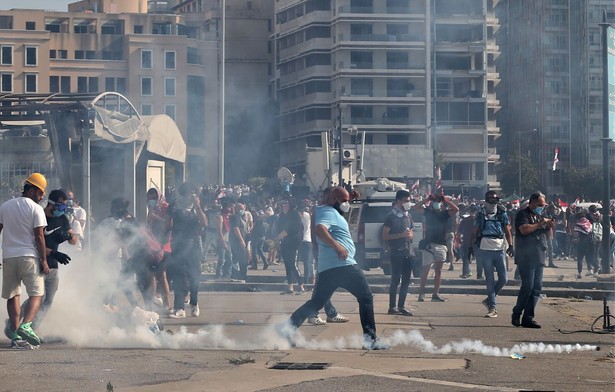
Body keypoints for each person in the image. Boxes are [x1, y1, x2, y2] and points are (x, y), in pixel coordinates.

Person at [277, 187, 386, 350]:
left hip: (329, 266)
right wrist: (337, 247)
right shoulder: (328, 211)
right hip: (343, 264)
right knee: (366, 298)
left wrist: (348, 199)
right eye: (344, 201)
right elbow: (321, 229)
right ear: (334, 200)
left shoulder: (325, 210)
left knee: (316, 302)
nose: (346, 204)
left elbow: (334, 220)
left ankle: (287, 329)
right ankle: (370, 340)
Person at [0, 173, 49, 348]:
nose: (42, 196)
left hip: (9, 257)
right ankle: (26, 325)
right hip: (28, 256)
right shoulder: (36, 209)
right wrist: (43, 260)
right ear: (33, 190)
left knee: (13, 295)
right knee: (37, 294)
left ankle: (16, 337)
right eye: (41, 192)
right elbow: (39, 237)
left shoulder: (5, 206)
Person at [30, 189, 77, 327]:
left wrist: (68, 236)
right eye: (61, 205)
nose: (63, 208)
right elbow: (34, 244)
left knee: (48, 299)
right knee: (38, 296)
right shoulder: (40, 217)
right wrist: (53, 253)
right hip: (37, 262)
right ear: (52, 203)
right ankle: (15, 322)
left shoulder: (62, 218)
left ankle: (33, 328)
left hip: (54, 265)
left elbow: (74, 240)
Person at [511, 192, 552, 329]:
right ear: (533, 202)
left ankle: (528, 318)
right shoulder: (523, 214)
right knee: (527, 287)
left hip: (539, 255)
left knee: (536, 288)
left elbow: (548, 235)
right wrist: (541, 223)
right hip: (526, 256)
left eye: (543, 205)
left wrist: (549, 226)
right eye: (540, 205)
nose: (541, 207)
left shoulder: (539, 216)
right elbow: (524, 230)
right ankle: (517, 312)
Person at [167, 182, 208, 318]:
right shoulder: (174, 206)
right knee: (178, 276)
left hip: (194, 244)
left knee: (194, 276)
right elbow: (168, 224)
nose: (188, 197)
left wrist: (197, 206)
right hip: (178, 244)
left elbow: (204, 223)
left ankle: (194, 304)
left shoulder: (197, 207)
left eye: (191, 194)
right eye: (185, 193)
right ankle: (179, 307)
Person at [472, 191, 513, 318]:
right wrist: (470, 247)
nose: (493, 202)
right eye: (490, 199)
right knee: (489, 279)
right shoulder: (481, 213)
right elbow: (475, 231)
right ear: (486, 200)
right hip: (485, 247)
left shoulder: (502, 213)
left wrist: (511, 245)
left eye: (495, 199)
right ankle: (492, 307)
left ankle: (490, 299)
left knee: (504, 278)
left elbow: (507, 230)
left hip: (499, 247)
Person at [413, 194, 459, 302]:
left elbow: (456, 209)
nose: (436, 203)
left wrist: (445, 200)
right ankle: (421, 293)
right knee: (425, 271)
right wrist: (427, 199)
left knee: (438, 271)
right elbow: (415, 207)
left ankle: (435, 294)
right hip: (429, 244)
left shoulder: (444, 214)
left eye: (438, 201)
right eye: (435, 201)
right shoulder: (428, 212)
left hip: (441, 244)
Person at [382, 189, 415, 316]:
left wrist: (409, 235)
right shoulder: (391, 216)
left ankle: (402, 306)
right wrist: (400, 235)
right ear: (398, 201)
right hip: (396, 252)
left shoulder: (408, 215)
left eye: (409, 200)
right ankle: (392, 306)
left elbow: (411, 232)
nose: (408, 203)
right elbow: (385, 235)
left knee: (406, 280)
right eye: (406, 201)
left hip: (409, 251)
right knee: (395, 280)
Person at [275, 200, 306, 294]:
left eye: (286, 205)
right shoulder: (281, 216)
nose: (284, 206)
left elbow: (295, 228)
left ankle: (301, 287)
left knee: (293, 264)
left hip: (294, 242)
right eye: (283, 205)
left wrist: (282, 234)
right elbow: (278, 228)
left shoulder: (295, 214)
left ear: (290, 205)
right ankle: (290, 288)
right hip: (284, 242)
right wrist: (277, 237)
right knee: (287, 265)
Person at [456, 205, 477, 278]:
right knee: (478, 259)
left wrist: (458, 239)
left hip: (468, 241)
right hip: (475, 242)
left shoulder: (465, 220)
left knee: (465, 259)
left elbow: (459, 231)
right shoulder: (479, 220)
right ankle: (478, 275)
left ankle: (466, 273)